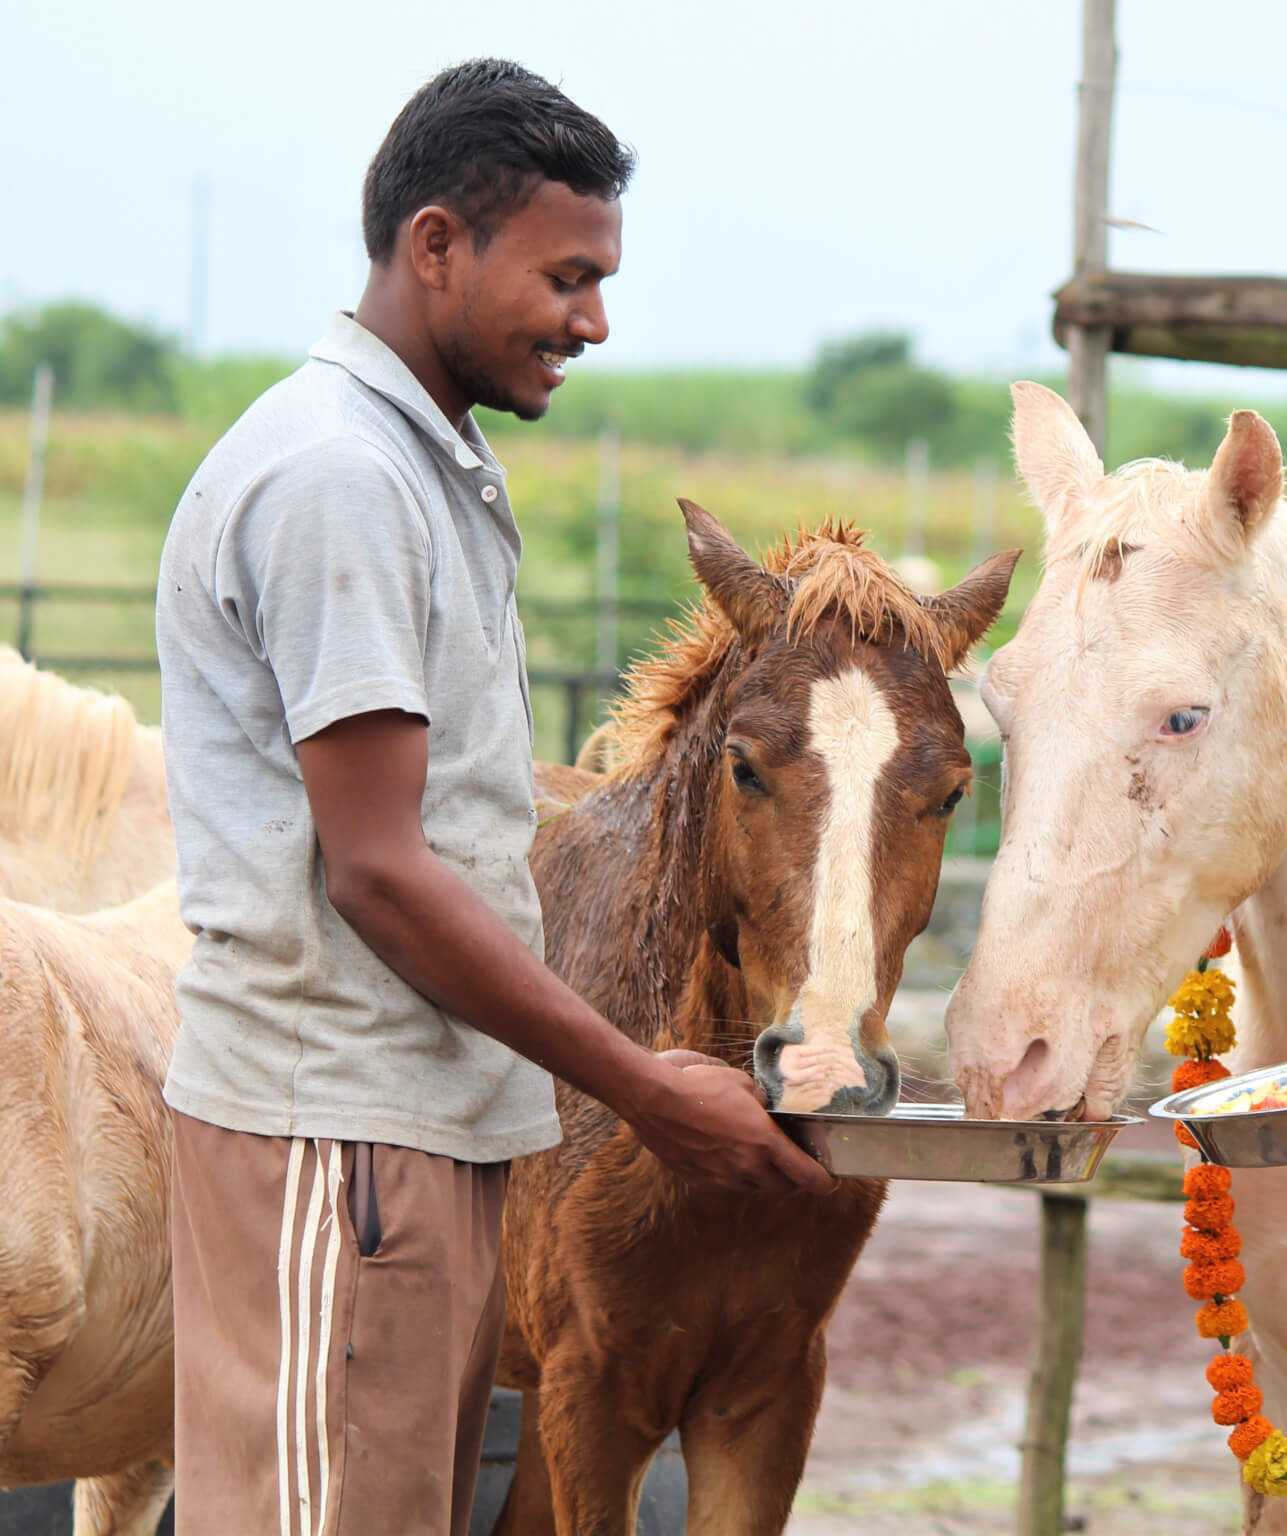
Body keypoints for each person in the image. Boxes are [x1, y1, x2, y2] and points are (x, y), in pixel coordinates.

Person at [155, 59, 831, 1535]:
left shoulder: (422, 465)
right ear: (438, 244)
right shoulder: (340, 479)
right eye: (568, 276)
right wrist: (644, 1085)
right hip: (333, 1140)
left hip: (412, 1135)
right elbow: (381, 871)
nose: (594, 320)